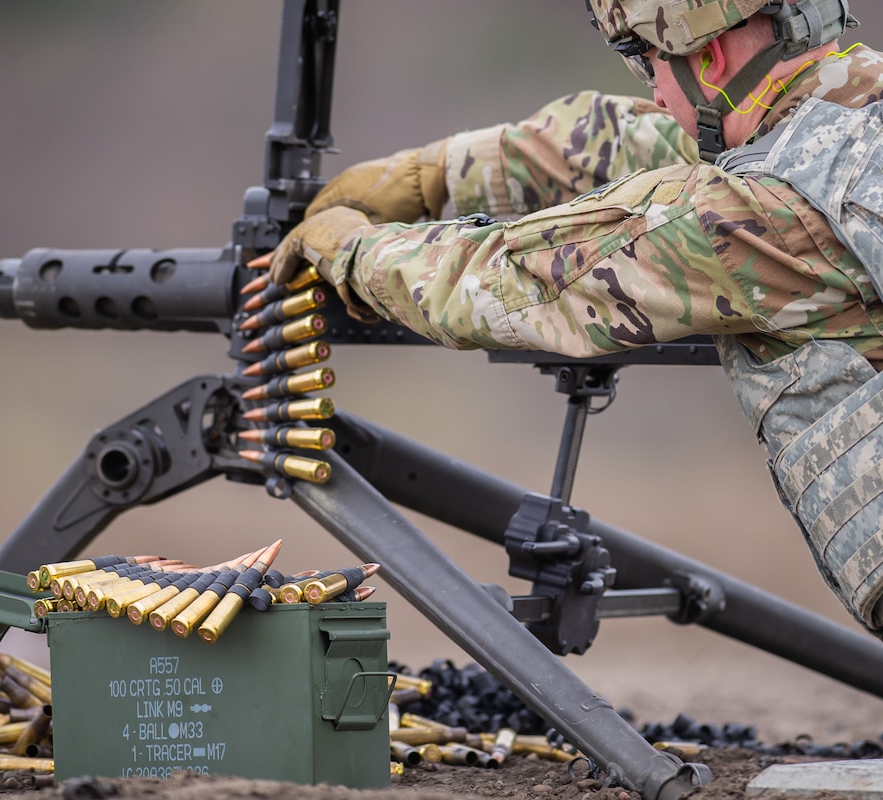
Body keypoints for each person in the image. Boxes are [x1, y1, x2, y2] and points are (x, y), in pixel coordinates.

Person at [252, 0, 883, 635]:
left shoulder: (769, 215)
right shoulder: (851, 118)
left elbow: (515, 281)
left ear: (710, 56)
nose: (658, 95)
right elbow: (633, 141)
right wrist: (439, 173)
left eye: (647, 63)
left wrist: (350, 251)